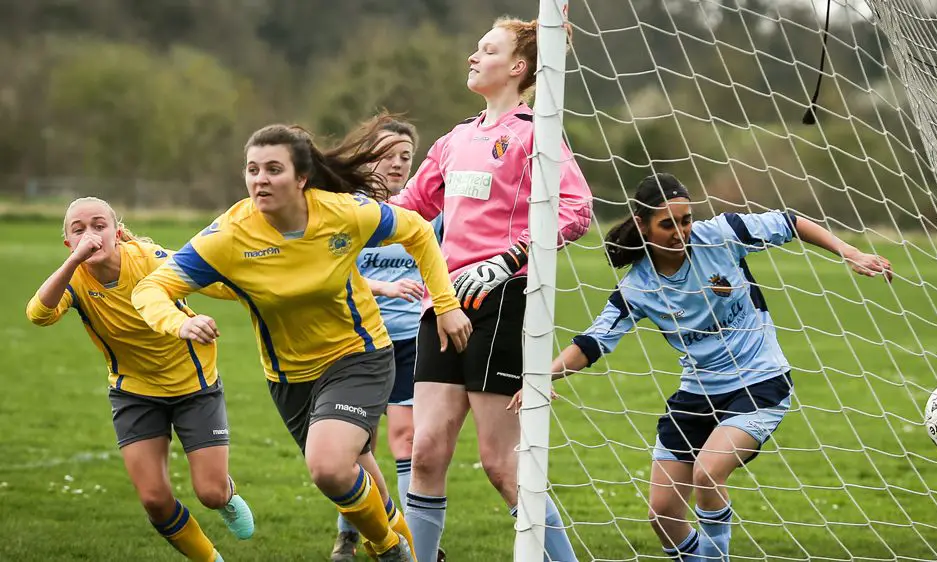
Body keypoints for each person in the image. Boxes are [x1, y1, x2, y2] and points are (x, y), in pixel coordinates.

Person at [132, 115, 472, 562]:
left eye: (273, 169)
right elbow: (151, 288)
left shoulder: (345, 214)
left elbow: (417, 231)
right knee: (356, 472)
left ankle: (390, 550)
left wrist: (445, 305)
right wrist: (177, 323)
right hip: (288, 376)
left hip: (359, 355)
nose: (260, 180)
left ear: (302, 177)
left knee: (329, 467)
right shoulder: (230, 235)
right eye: (252, 170)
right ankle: (407, 546)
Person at [510, 173, 893, 560]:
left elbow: (790, 222)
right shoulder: (637, 286)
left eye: (686, 220)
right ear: (642, 225)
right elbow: (593, 342)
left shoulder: (722, 234)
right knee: (663, 515)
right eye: (667, 224)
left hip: (758, 383)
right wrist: (542, 377)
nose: (681, 231)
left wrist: (850, 252)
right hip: (696, 393)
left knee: (708, 473)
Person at [390, 16, 592, 562]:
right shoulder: (456, 138)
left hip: (501, 304)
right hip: (444, 301)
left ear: (518, 67)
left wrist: (510, 259)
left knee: (501, 464)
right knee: (426, 451)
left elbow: (577, 210)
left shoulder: (536, 133)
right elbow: (409, 208)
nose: (472, 57)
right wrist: (348, 210)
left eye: (487, 49)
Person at [26, 197, 254, 562]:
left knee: (210, 493)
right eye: (79, 230)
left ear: (117, 234)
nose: (91, 236)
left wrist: (197, 319)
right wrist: (72, 264)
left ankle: (226, 495)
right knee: (154, 500)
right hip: (134, 393)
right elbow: (39, 314)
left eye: (100, 226)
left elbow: (207, 272)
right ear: (68, 243)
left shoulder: (148, 257)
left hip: (193, 385)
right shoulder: (75, 279)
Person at [332, 119, 446, 562]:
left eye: (406, 155)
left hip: (408, 340)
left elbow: (441, 261)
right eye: (389, 153)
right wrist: (383, 288)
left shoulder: (426, 213)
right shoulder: (347, 208)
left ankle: (411, 542)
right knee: (359, 444)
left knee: (406, 438)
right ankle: (349, 532)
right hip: (355, 339)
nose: (398, 163)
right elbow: (331, 267)